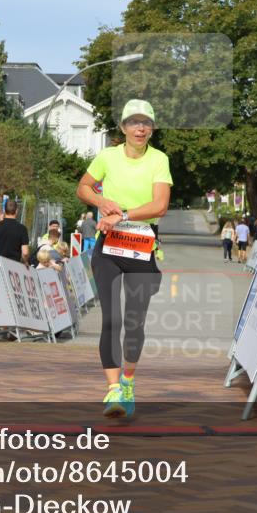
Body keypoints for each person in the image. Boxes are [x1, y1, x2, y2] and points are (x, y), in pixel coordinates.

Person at [76, 98, 171, 419]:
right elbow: (83, 187)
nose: (140, 128)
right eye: (134, 122)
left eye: (146, 122)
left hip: (142, 248)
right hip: (108, 249)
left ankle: (128, 381)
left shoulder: (159, 160)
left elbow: (159, 206)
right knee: (111, 319)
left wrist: (124, 215)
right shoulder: (107, 157)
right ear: (123, 127)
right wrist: (102, 202)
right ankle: (113, 389)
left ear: (152, 128)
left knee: (133, 323)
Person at [0, 198, 30, 265]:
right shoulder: (22, 229)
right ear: (16, 211)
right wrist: (25, 261)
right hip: (14, 265)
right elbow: (25, 253)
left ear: (5, 211)